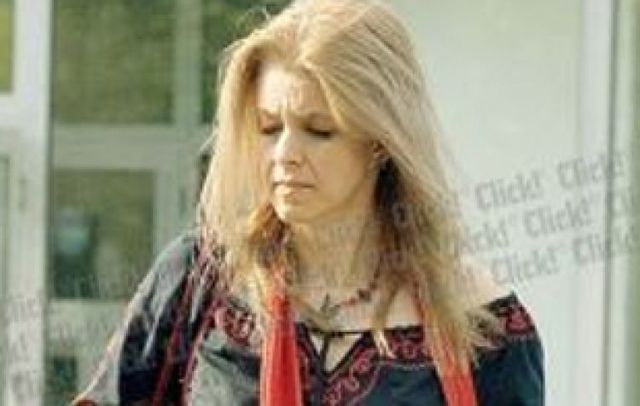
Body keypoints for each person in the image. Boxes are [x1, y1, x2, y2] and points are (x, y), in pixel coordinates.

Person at [72, 0, 544, 404]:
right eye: (269, 127)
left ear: (380, 142)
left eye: (319, 131)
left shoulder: (482, 324)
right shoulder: (198, 281)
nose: (284, 154)